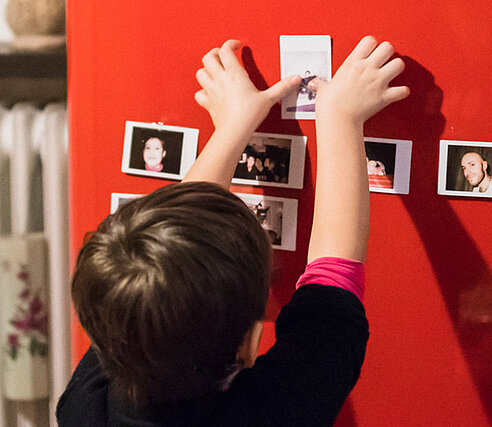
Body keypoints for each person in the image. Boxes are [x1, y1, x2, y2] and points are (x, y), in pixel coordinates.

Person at [56, 36, 409, 426]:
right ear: (248, 342)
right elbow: (332, 282)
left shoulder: (87, 407)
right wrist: (340, 117)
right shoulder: (271, 412)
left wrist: (235, 123)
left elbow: (164, 268)